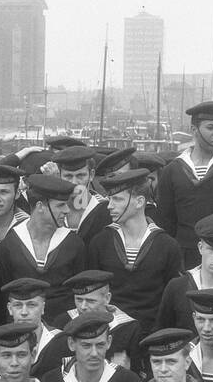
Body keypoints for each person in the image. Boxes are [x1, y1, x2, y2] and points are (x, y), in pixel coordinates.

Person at [154, 101, 213, 268]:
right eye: (211, 127)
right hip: (184, 258)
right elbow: (166, 222)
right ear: (194, 130)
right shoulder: (172, 170)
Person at [86, 166, 182, 332]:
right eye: (110, 199)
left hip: (152, 334)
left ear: (139, 202)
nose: (109, 206)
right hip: (110, 332)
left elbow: (172, 300)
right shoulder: (101, 242)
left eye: (118, 199)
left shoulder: (167, 246)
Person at [0, 170, 87, 325]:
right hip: (22, 327)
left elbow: (80, 290)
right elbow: (4, 292)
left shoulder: (74, 243)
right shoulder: (10, 243)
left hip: (64, 328)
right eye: (60, 205)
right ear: (40, 206)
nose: (66, 210)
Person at [61, 270, 142, 370]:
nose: (83, 306)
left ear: (107, 298)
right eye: (79, 299)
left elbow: (139, 371)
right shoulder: (63, 321)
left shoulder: (129, 328)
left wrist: (125, 370)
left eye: (90, 301)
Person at [1, 277, 69, 379]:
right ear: (10, 309)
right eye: (18, 305)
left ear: (43, 307)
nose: (24, 312)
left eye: (31, 305)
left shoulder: (62, 340)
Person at [53, 145, 112, 245]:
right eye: (68, 176)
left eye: (80, 175)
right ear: (59, 176)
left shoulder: (107, 211)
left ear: (91, 175)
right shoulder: (51, 211)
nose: (74, 182)